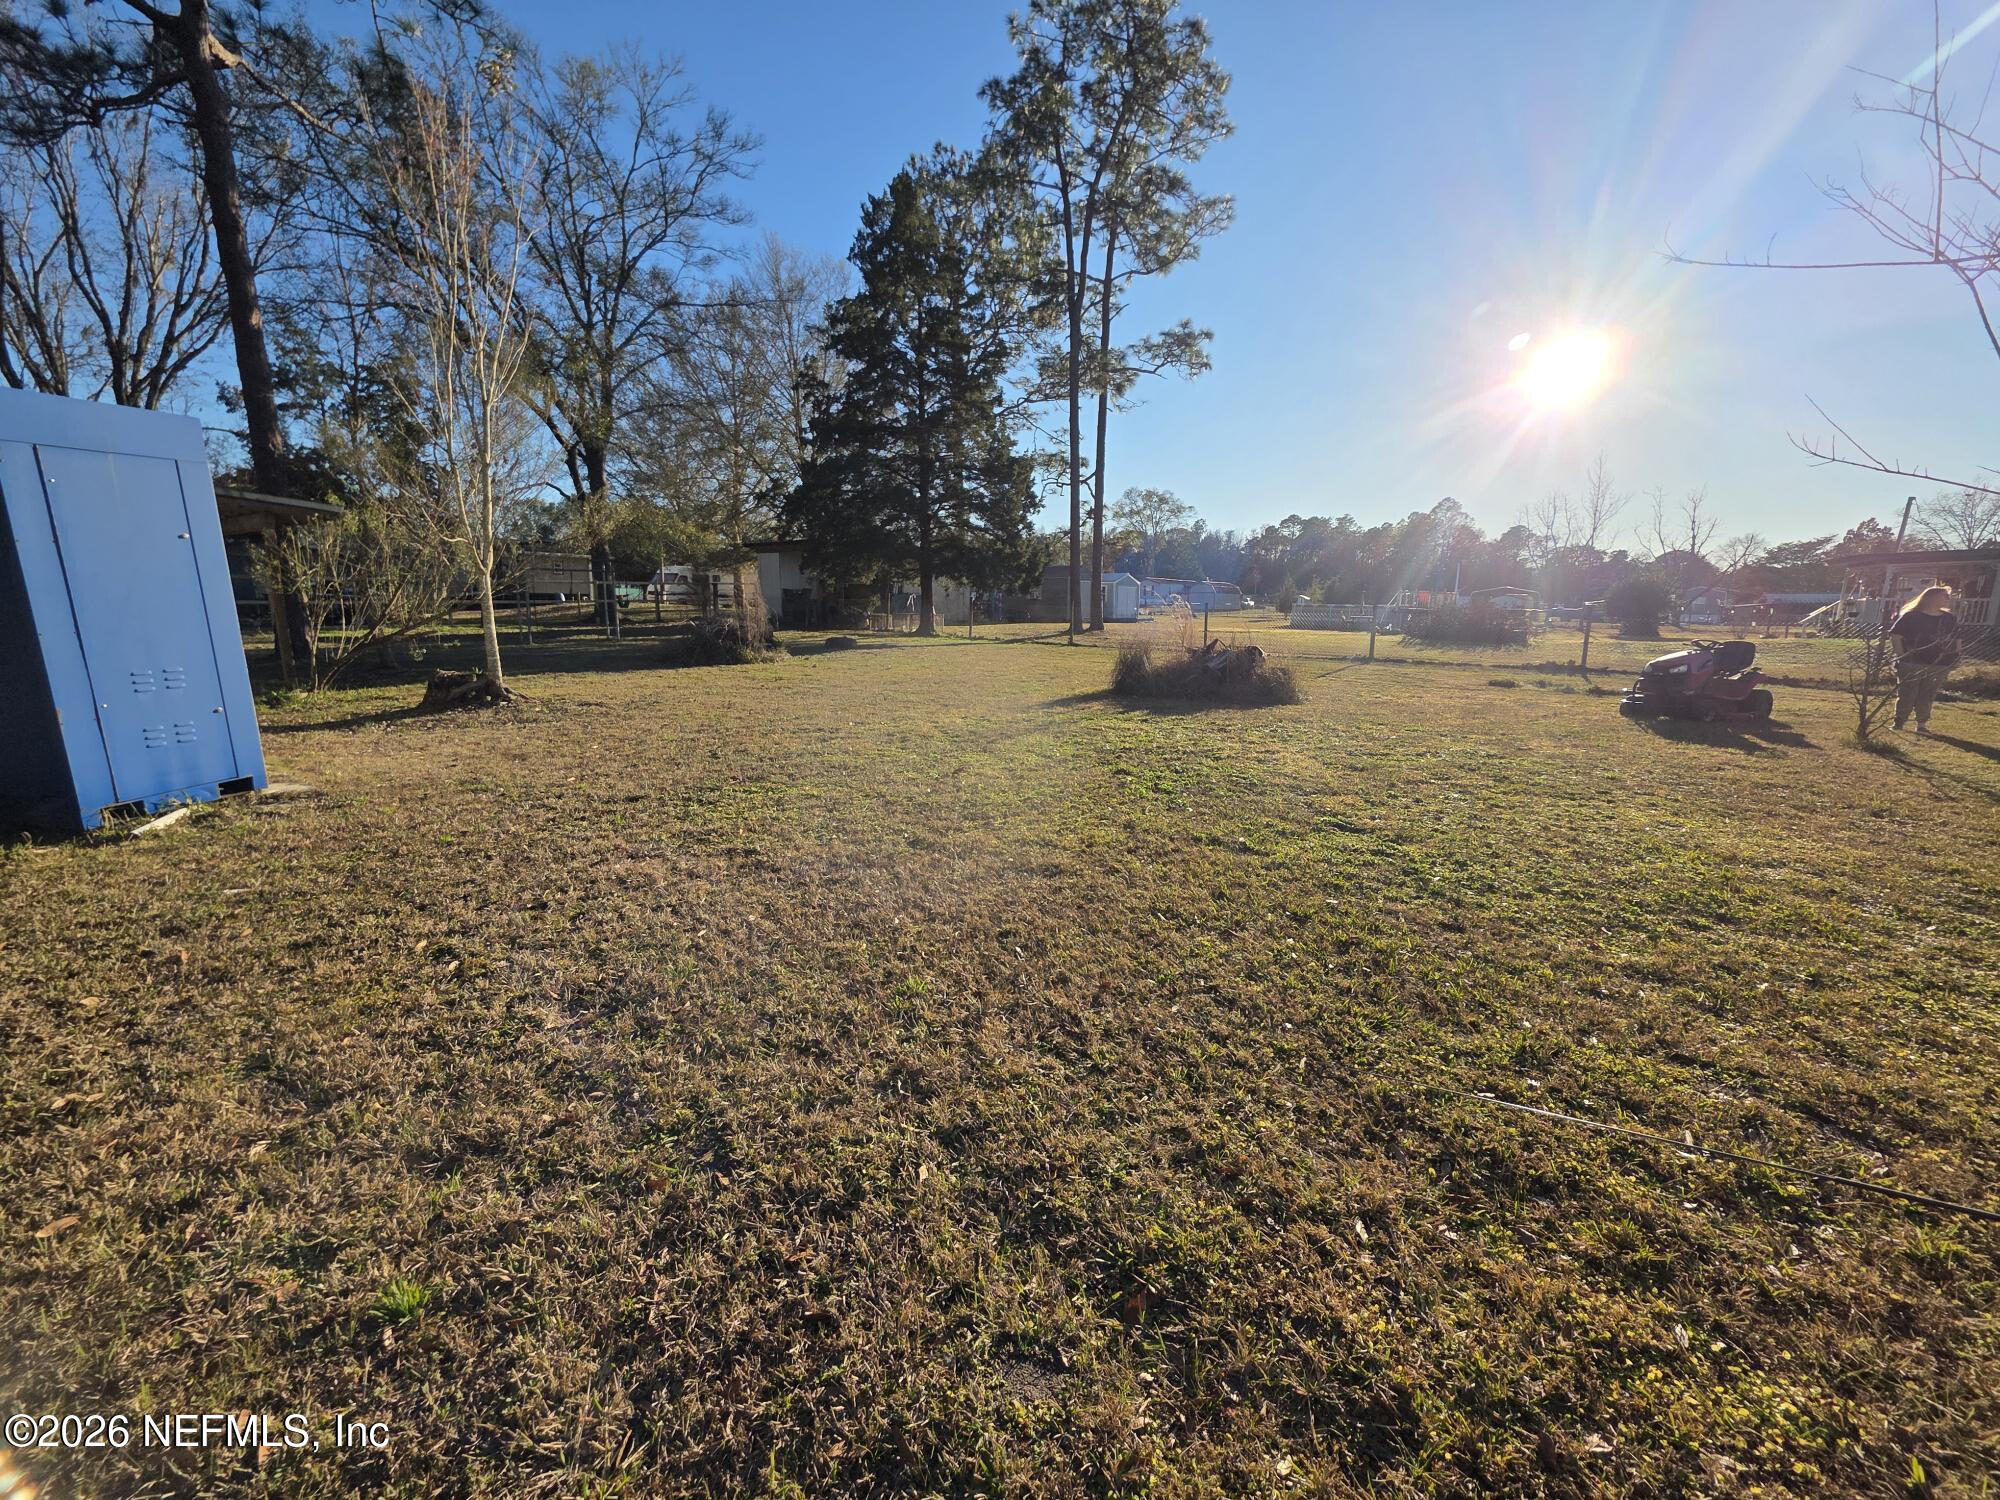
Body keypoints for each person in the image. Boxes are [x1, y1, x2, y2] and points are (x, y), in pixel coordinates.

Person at [1887, 585, 1960, 734]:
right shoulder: (1911, 616)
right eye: (1944, 596)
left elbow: (1957, 639)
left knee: (1927, 694)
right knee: (1907, 692)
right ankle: (1899, 722)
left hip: (1938, 663)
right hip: (1912, 662)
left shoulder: (1949, 619)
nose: (1947, 599)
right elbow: (1896, 636)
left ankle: (1921, 724)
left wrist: (1956, 656)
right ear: (1932, 598)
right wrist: (1902, 655)